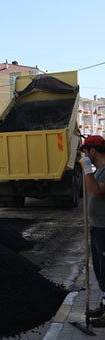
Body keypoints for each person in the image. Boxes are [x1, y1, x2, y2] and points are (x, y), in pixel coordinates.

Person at [79, 135, 105, 326]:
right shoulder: (100, 170)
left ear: (93, 152)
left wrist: (86, 168)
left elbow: (95, 192)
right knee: (100, 271)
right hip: (98, 228)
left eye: (86, 152)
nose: (85, 156)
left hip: (104, 229)